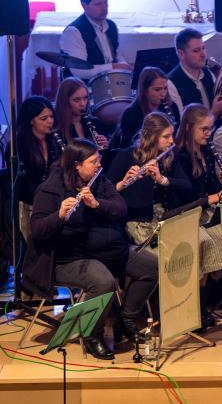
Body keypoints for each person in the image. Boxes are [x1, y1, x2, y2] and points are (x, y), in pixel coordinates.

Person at [24, 138, 158, 360]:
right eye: (93, 161)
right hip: (66, 259)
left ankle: (126, 318)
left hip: (105, 252)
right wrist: (58, 215)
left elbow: (120, 208)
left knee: (151, 266)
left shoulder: (99, 182)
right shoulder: (50, 190)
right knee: (103, 282)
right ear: (77, 165)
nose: (98, 165)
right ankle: (92, 335)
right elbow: (37, 230)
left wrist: (97, 204)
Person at [175, 104, 222, 330]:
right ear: (188, 128)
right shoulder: (180, 156)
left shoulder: (207, 151)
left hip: (206, 210)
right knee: (205, 242)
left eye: (211, 128)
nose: (209, 133)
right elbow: (185, 195)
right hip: (189, 213)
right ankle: (197, 309)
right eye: (204, 129)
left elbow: (214, 187)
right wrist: (211, 198)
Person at [107, 112, 193, 253]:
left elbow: (187, 186)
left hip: (167, 218)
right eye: (166, 136)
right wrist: (122, 183)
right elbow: (106, 190)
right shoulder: (126, 155)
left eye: (171, 135)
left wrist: (162, 180)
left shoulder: (169, 157)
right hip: (139, 223)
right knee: (165, 254)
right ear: (152, 137)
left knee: (188, 249)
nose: (171, 141)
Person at [58, 0, 131, 80]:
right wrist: (113, 67)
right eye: (98, 4)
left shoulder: (111, 25)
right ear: (84, 6)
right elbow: (79, 71)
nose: (104, 8)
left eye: (106, 2)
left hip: (110, 82)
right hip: (85, 88)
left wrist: (124, 66)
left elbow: (117, 55)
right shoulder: (74, 32)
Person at [16, 96, 63, 241]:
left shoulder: (54, 141)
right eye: (44, 118)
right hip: (29, 205)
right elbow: (22, 181)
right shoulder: (19, 145)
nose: (50, 121)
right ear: (31, 120)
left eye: (51, 116)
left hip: (52, 204)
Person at [166, 27, 222, 118]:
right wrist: (214, 113)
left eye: (203, 48)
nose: (203, 54)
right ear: (181, 54)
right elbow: (182, 126)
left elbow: (219, 110)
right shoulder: (171, 84)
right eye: (196, 51)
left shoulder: (208, 73)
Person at [113, 66, 181, 149]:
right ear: (144, 90)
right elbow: (127, 147)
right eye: (157, 89)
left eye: (165, 88)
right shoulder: (131, 114)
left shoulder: (172, 106)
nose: (163, 94)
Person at [54, 77, 109, 149]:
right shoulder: (56, 128)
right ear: (65, 101)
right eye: (76, 100)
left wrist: (105, 144)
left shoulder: (94, 122)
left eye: (85, 98)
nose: (82, 104)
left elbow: (105, 153)